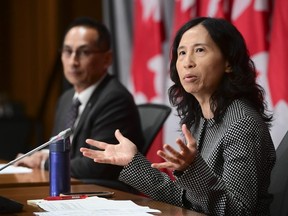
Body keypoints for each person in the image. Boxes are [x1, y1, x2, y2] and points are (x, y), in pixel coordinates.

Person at [80, 17, 276, 215]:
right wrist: (133, 161)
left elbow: (239, 211)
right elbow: (183, 199)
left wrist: (192, 168)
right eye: (182, 53)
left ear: (228, 62)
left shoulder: (241, 122)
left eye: (199, 50)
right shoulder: (200, 118)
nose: (187, 62)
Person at [15, 17, 144, 180]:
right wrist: (40, 155)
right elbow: (63, 149)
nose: (73, 61)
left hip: (103, 193)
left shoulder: (115, 99)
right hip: (70, 187)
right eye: (67, 51)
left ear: (107, 59)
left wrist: (42, 163)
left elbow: (97, 164)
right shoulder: (67, 98)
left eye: (84, 52)